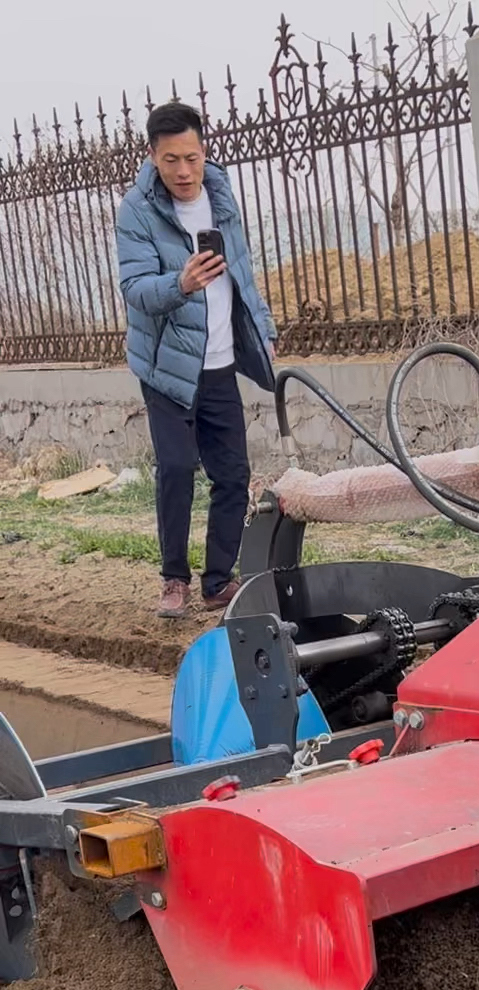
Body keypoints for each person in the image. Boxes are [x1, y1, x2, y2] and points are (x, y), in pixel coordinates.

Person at [116, 103, 277, 619]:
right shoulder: (137, 210)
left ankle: (217, 582)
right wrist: (181, 283)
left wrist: (264, 329)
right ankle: (174, 579)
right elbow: (135, 288)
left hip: (219, 363)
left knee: (233, 474)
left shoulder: (221, 195)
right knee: (177, 469)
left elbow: (244, 272)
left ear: (204, 151)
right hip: (167, 368)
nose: (184, 171)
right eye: (171, 161)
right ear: (152, 157)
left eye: (191, 158)